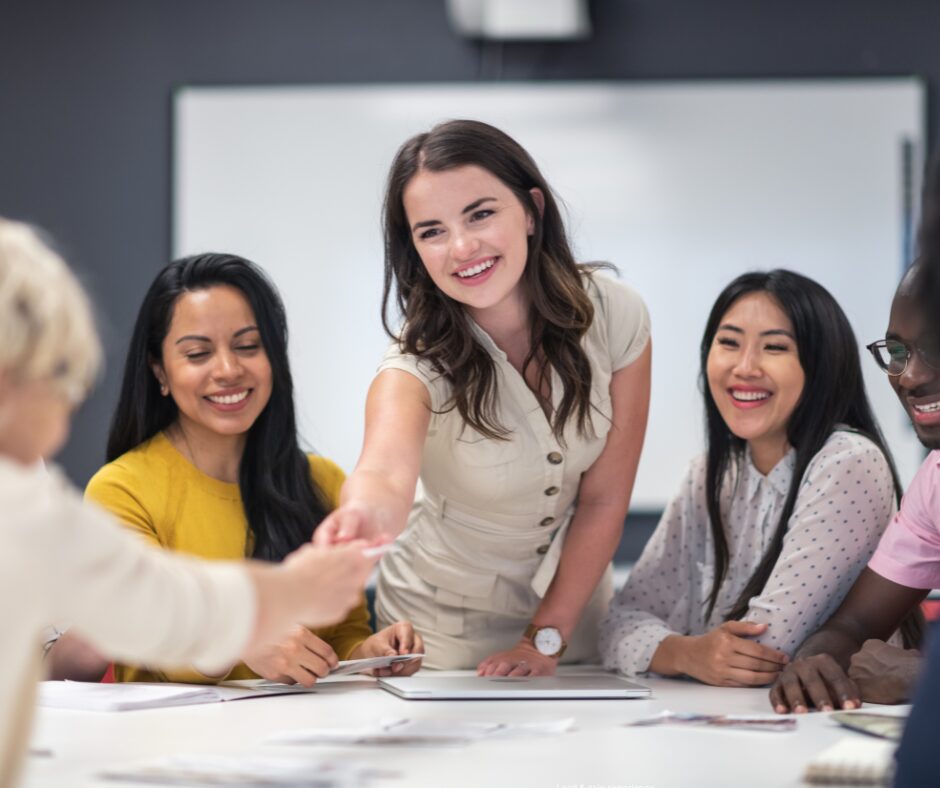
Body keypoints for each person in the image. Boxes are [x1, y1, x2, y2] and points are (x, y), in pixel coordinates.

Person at [0, 218, 375, 787]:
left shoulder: (31, 501)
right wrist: (285, 597)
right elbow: (163, 611)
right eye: (59, 379)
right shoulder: (64, 497)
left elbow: (151, 609)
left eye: (248, 347)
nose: (62, 420)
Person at [314, 119, 652, 674]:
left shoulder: (616, 315)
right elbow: (384, 474)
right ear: (415, 249)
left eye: (481, 213)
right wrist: (358, 518)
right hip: (439, 633)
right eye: (432, 231)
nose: (462, 247)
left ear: (531, 210)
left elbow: (604, 501)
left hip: (571, 619)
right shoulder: (414, 364)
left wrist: (545, 636)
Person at [47, 253, 422, 686]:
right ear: (159, 371)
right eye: (198, 353)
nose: (227, 370)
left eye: (247, 346)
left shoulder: (324, 481)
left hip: (304, 740)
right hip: (173, 743)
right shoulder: (122, 490)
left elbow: (343, 634)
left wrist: (371, 654)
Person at [600, 270, 902, 688]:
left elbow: (766, 651)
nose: (744, 367)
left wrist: (681, 649)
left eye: (774, 347)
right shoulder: (710, 472)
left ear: (820, 366)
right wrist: (688, 652)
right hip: (727, 719)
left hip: (823, 727)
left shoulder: (847, 462)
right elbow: (617, 623)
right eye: (728, 343)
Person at [767, 262, 932, 714]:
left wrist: (923, 676)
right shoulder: (935, 481)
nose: (910, 377)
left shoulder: (848, 458)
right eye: (898, 352)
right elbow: (853, 624)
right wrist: (813, 662)